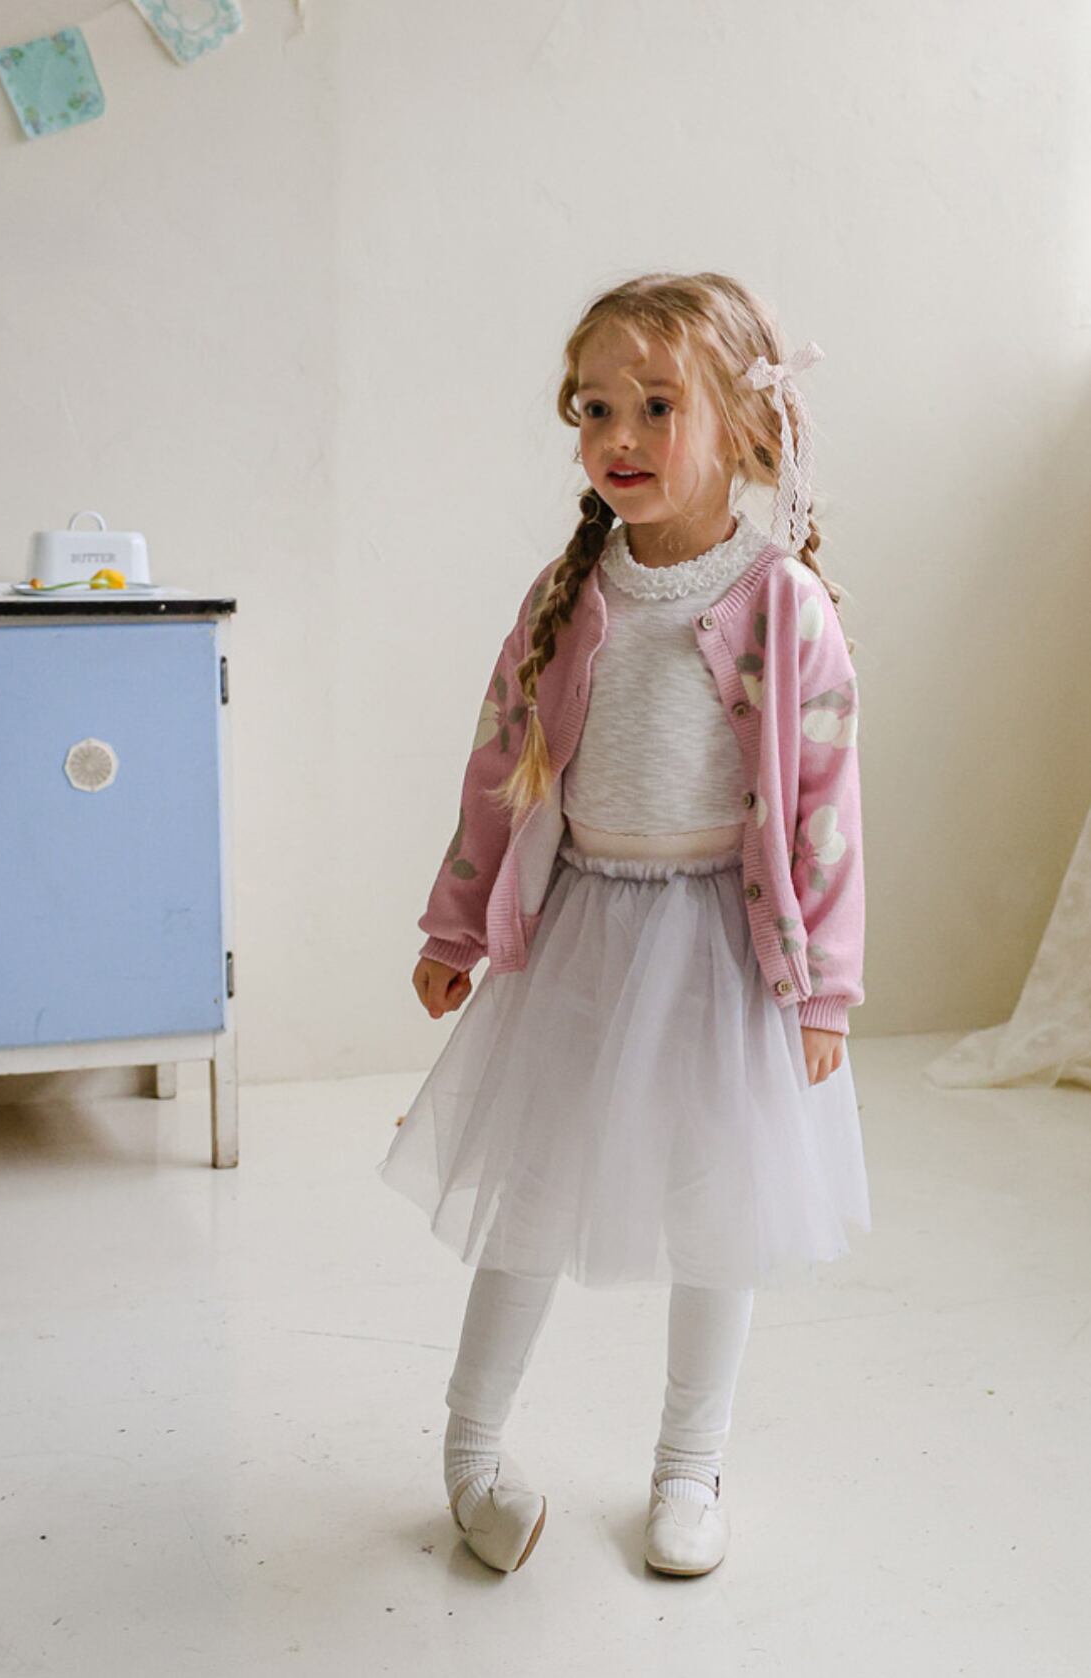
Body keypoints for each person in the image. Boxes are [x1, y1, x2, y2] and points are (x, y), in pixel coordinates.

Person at [376, 271, 871, 1577]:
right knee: (530, 1194)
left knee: (719, 1208)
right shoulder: (569, 592)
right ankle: (472, 1455)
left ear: (746, 430)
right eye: (595, 408)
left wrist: (821, 988)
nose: (619, 436)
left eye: (657, 406)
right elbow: (501, 769)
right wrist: (455, 927)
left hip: (723, 947)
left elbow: (824, 811)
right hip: (582, 932)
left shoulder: (782, 603)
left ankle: (688, 1467)